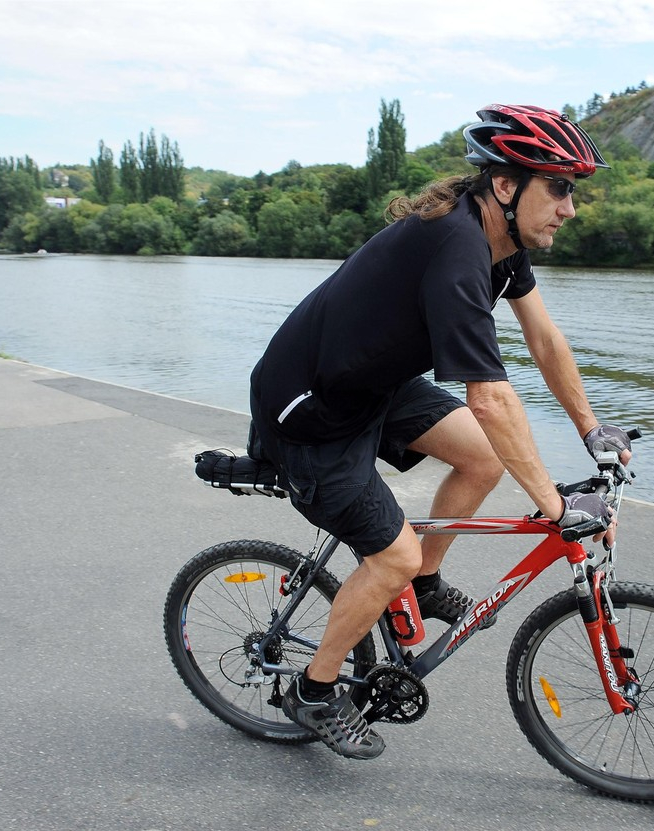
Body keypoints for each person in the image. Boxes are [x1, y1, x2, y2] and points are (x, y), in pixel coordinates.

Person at [248, 104, 632, 760]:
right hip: (310, 411)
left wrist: (593, 428)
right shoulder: (456, 248)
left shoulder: (499, 243)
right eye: (560, 187)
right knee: (389, 554)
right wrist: (556, 505)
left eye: (573, 189)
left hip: (370, 385)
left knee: (481, 461)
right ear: (506, 186)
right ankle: (312, 693)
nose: (571, 206)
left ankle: (422, 583)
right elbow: (488, 397)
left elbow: (544, 339)